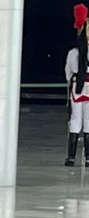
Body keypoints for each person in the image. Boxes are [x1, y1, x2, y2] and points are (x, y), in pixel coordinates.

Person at [66, 4, 89, 166]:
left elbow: (68, 73)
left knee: (75, 120)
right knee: (88, 122)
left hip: (77, 88)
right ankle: (88, 158)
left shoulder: (73, 53)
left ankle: (71, 157)